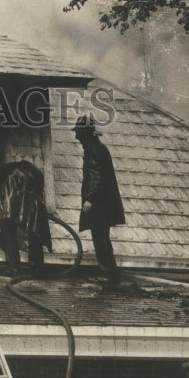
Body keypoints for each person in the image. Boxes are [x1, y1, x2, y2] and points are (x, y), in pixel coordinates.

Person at [75, 114, 126, 285]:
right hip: (103, 205)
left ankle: (108, 274)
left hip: (100, 207)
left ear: (85, 135)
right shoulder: (96, 148)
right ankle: (108, 273)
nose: (77, 137)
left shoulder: (95, 150)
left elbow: (97, 177)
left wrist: (89, 199)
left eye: (79, 133)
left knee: (101, 239)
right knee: (101, 238)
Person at [0, 160, 53, 277]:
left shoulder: (8, 175)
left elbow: (8, 199)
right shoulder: (33, 171)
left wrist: (6, 216)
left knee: (8, 234)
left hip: (14, 209)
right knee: (34, 234)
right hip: (34, 207)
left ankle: (14, 269)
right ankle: (37, 269)